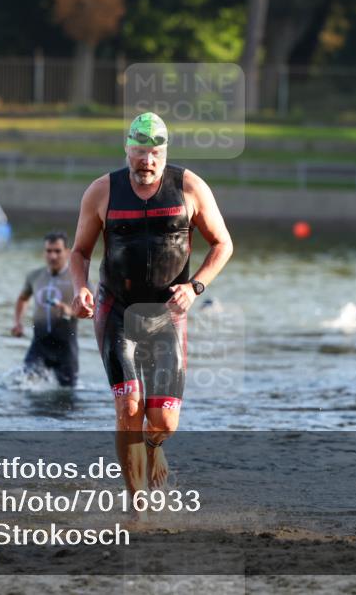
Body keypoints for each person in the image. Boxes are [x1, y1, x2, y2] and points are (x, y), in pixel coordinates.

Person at [69, 112, 233, 512]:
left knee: (163, 422)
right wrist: (80, 289)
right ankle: (136, 505)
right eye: (140, 152)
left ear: (165, 153)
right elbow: (80, 252)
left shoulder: (189, 187)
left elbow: (223, 244)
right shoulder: (102, 191)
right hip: (117, 309)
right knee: (129, 406)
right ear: (127, 150)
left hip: (167, 314)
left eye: (155, 153)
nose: (147, 160)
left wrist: (195, 287)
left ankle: (153, 445)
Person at [12, 232, 78, 387]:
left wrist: (69, 311)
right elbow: (22, 299)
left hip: (65, 348)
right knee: (23, 385)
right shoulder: (35, 276)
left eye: (57, 251)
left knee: (68, 394)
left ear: (67, 252)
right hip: (39, 345)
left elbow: (93, 308)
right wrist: (18, 323)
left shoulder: (77, 278)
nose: (53, 256)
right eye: (49, 251)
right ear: (44, 252)